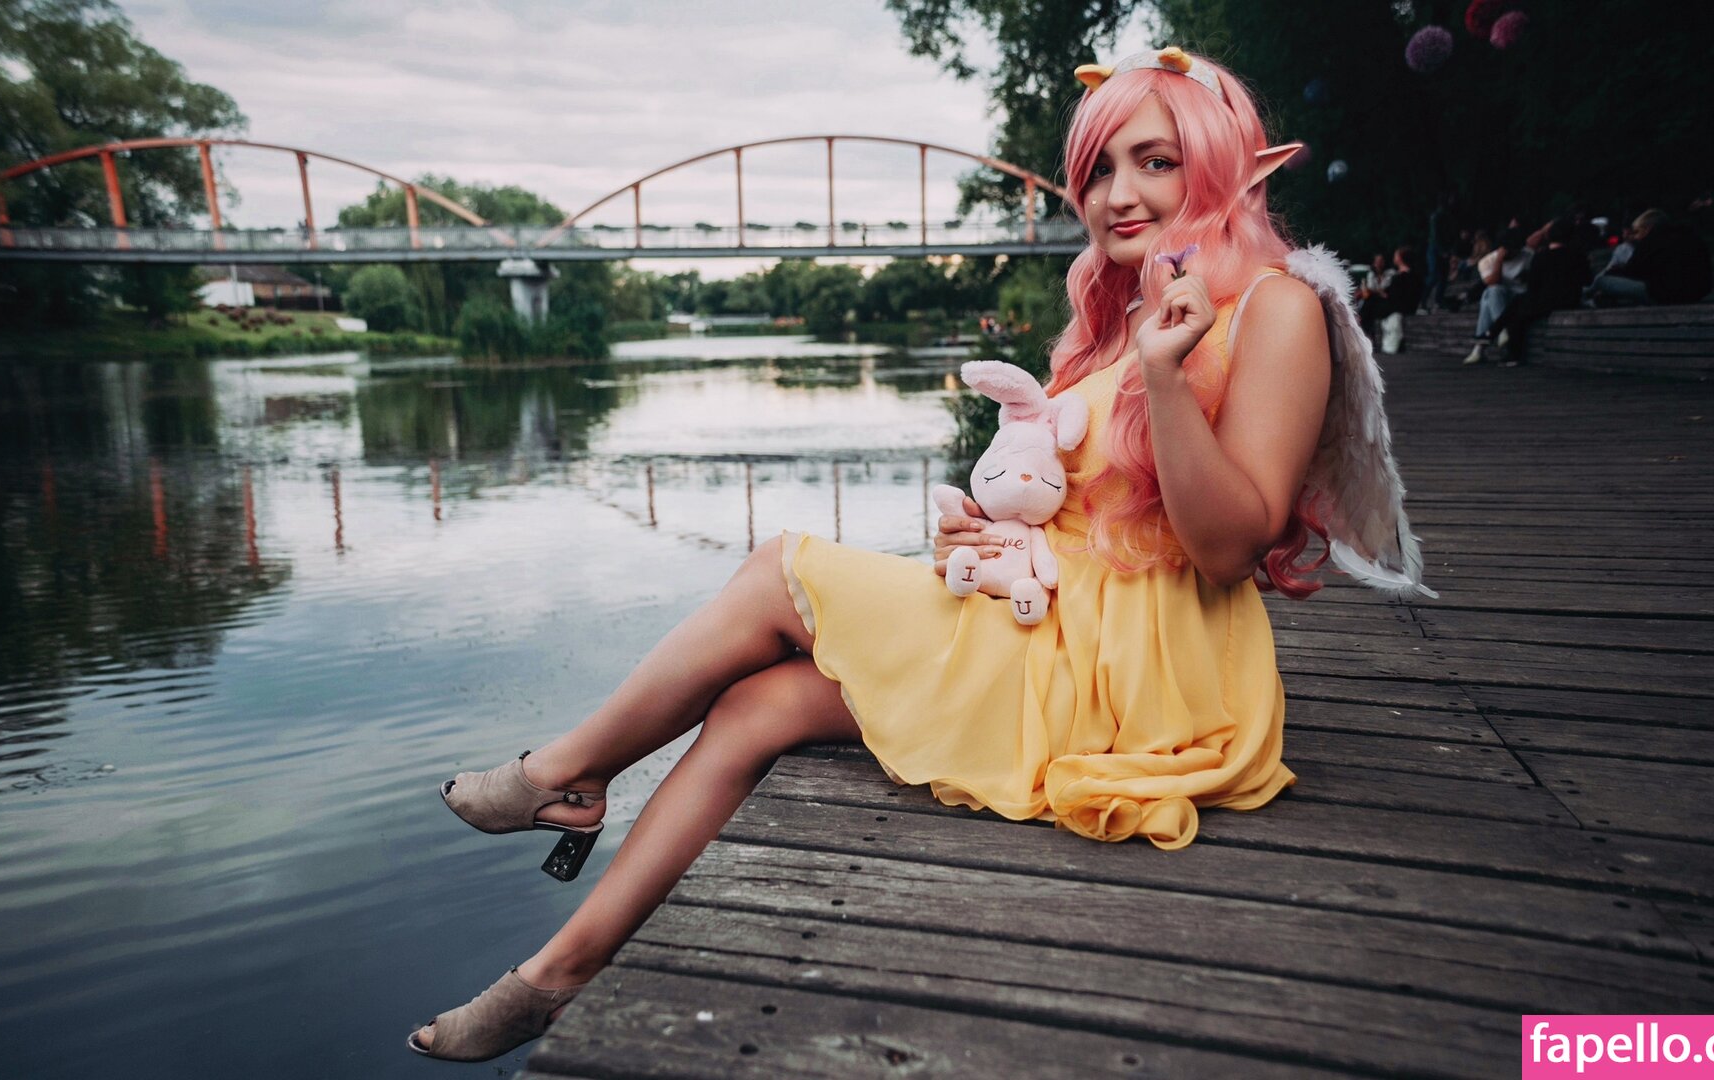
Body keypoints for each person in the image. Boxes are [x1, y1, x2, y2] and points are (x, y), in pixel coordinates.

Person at [406, 44, 1431, 1063]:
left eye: (1155, 162)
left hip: (1151, 675)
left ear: (1220, 167)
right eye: (1098, 170)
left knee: (777, 567)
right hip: (1060, 623)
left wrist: (1166, 378)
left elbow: (1225, 551)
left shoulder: (1278, 308)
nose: (1118, 195)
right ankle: (558, 974)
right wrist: (987, 530)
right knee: (756, 707)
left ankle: (563, 773)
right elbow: (1084, 509)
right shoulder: (1123, 314)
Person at [1485, 215, 1591, 366]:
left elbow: (1533, 285)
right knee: (1519, 305)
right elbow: (1587, 280)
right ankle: (1493, 333)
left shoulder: (1540, 257)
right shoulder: (1577, 255)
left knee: (1518, 310)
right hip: (1570, 298)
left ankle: (1496, 338)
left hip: (1550, 300)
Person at [1587, 208, 1714, 307]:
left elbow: (1633, 271)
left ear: (1647, 229)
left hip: (1664, 294)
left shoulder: (1651, 241)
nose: (1635, 237)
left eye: (1637, 232)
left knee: (1602, 281)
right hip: (1697, 293)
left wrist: (1615, 270)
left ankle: (1585, 295)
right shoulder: (1691, 237)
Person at [1463, 227, 1532, 365]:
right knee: (1492, 291)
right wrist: (1499, 260)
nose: (1514, 253)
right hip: (1500, 299)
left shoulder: (1527, 255)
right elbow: (1493, 282)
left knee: (1487, 296)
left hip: (1519, 297)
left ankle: (1479, 348)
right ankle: (1502, 330)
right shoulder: (1487, 261)